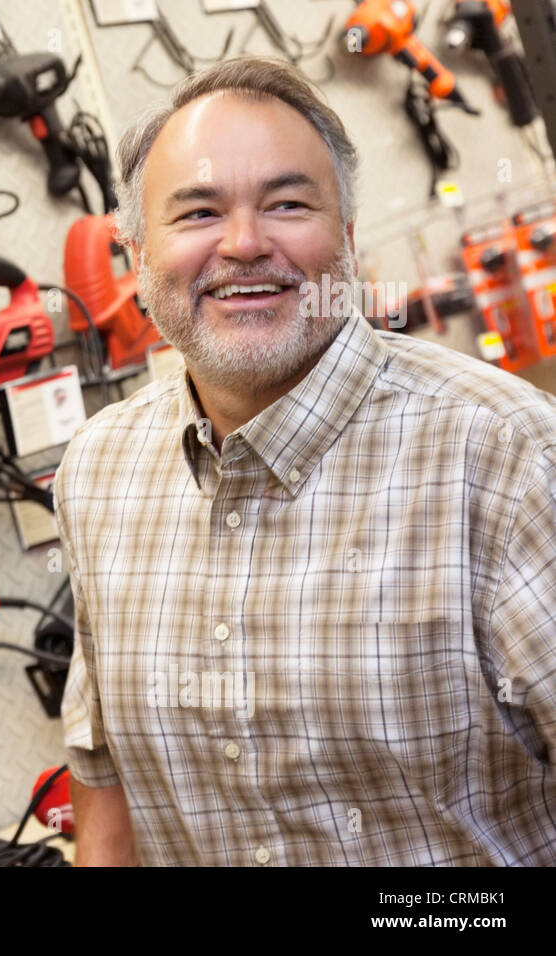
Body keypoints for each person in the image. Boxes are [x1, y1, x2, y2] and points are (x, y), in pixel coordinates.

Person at [54, 56, 556, 866]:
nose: (245, 244)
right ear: (137, 260)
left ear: (348, 242)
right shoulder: (98, 472)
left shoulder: (503, 456)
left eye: (288, 204)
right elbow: (102, 772)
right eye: (198, 213)